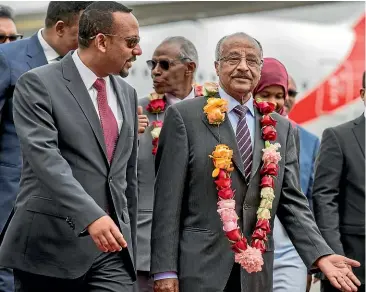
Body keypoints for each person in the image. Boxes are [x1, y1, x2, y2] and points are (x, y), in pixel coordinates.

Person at [150, 32, 361, 292]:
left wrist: (321, 254)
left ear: (260, 70)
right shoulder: (185, 117)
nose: (242, 66)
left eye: (252, 60)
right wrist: (164, 270)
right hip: (198, 269)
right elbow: (167, 202)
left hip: (255, 271)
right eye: (232, 58)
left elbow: (292, 201)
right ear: (216, 67)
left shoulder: (281, 128)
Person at [0, 2, 143, 292]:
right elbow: (46, 161)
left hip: (112, 251)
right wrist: (91, 216)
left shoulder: (127, 93)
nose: (137, 51)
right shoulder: (38, 83)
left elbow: (126, 177)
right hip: (50, 249)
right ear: (101, 42)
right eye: (131, 42)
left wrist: (131, 245)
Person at [0, 2, 92, 291]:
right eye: (82, 34)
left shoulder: (84, 67)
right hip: (12, 197)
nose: (88, 43)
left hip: (63, 204)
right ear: (61, 28)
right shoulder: (8, 58)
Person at [136, 36, 199, 292]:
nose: (155, 72)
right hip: (146, 245)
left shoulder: (215, 110)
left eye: (164, 64)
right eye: (152, 64)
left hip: (202, 248)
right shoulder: (138, 111)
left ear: (189, 68)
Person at [251, 57, 309, 292]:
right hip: (247, 245)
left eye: (279, 96)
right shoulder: (237, 130)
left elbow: (295, 195)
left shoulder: (289, 131)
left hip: (287, 248)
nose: (273, 103)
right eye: (265, 95)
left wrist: (314, 255)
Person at [312, 71, 365, 292]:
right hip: (351, 266)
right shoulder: (338, 136)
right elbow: (324, 198)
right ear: (363, 94)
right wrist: (334, 255)